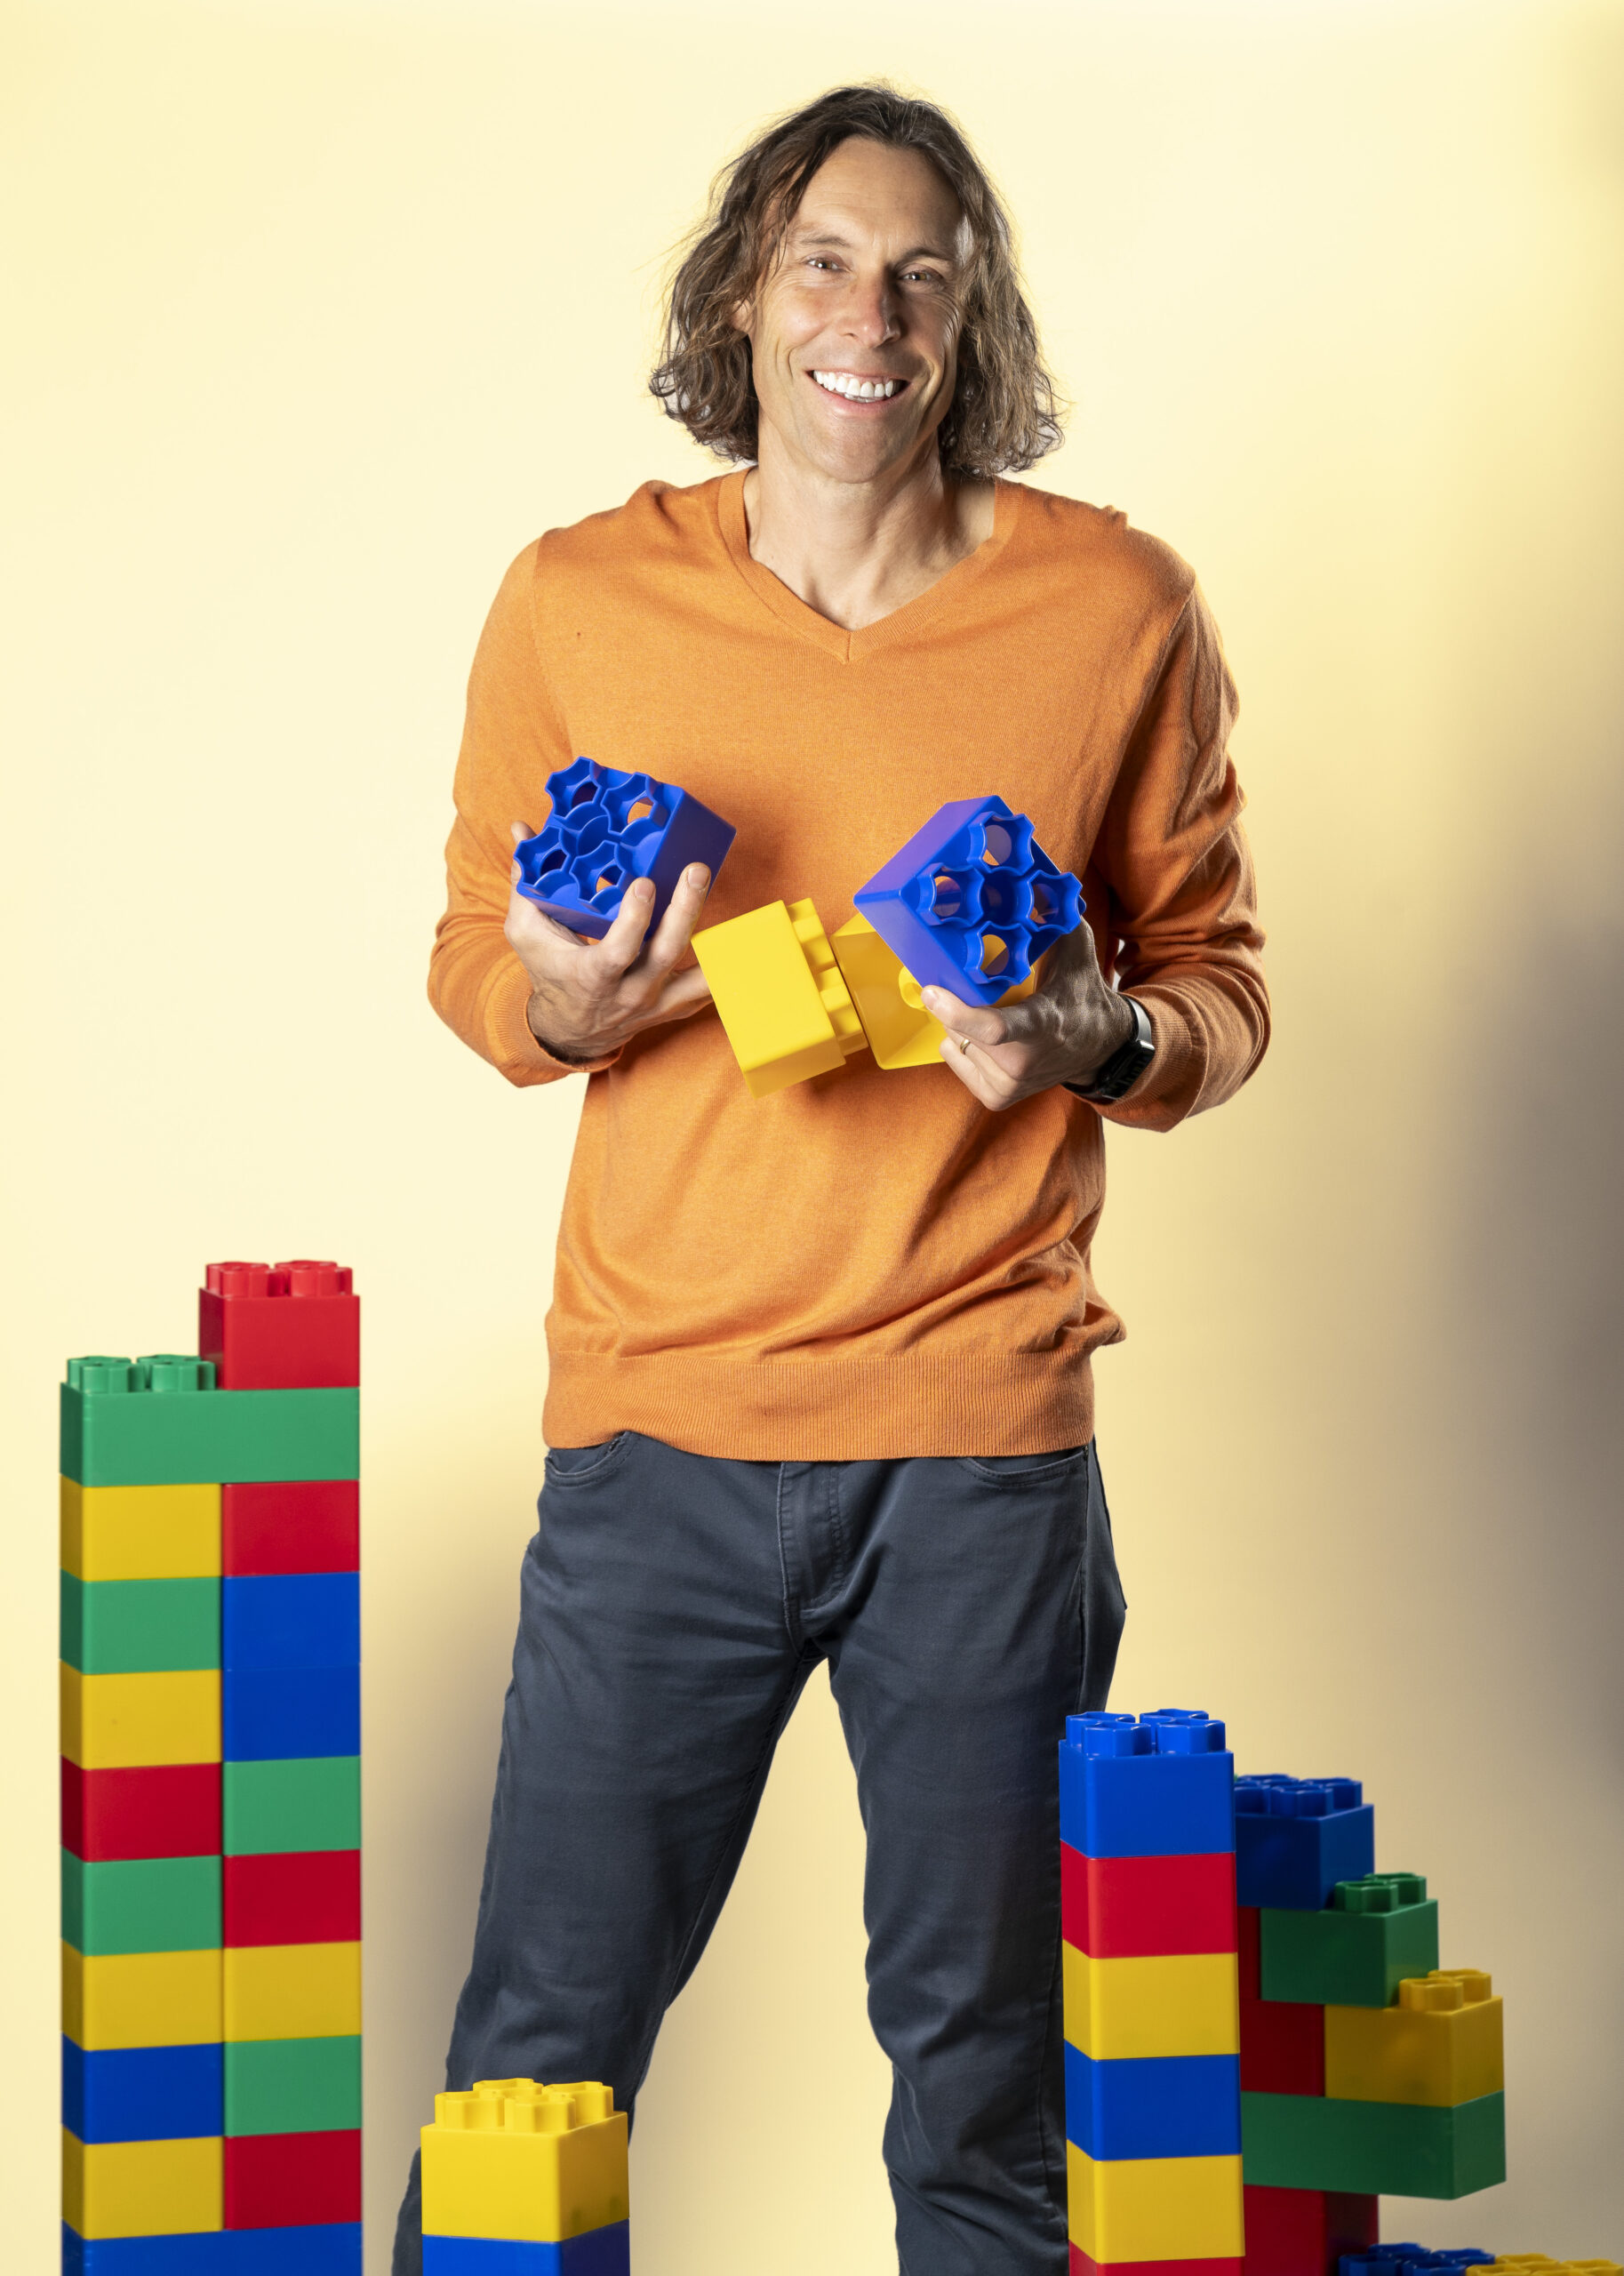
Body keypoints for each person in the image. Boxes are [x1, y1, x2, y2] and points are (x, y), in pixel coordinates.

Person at [395, 82, 1268, 2276]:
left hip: (980, 1449)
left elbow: (1217, 989)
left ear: (970, 320)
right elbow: (471, 965)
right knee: (535, 2073)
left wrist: (1095, 1037)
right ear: (741, 295)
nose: (865, 313)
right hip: (655, 1435)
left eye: (920, 270)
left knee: (995, 2106)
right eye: (820, 260)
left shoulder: (1115, 609)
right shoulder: (579, 596)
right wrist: (572, 1007)